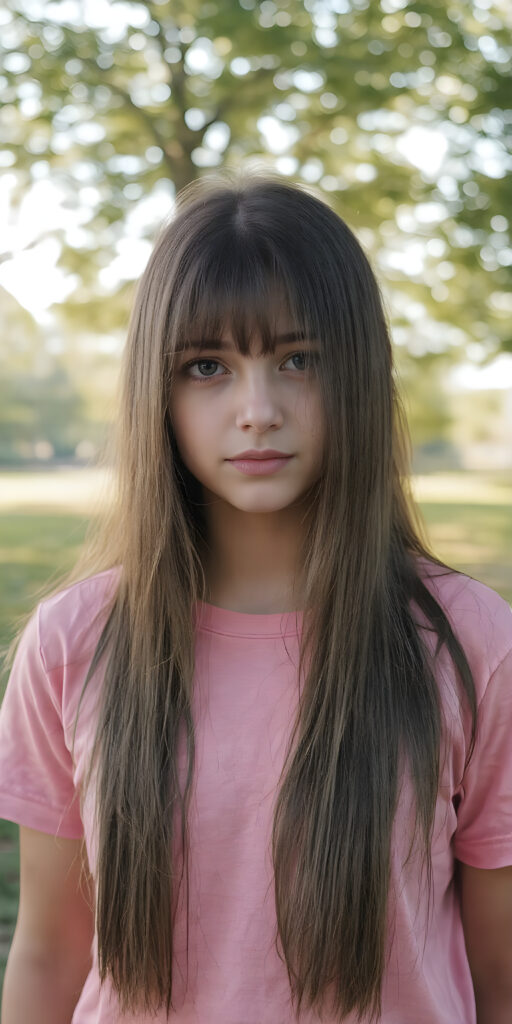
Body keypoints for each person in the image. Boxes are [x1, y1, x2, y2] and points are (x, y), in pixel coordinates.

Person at [0, 167, 511, 1024]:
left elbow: (503, 974)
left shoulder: (468, 640)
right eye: (208, 366)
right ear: (155, 393)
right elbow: (50, 952)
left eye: (297, 359)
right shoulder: (74, 640)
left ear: (358, 372)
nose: (258, 409)